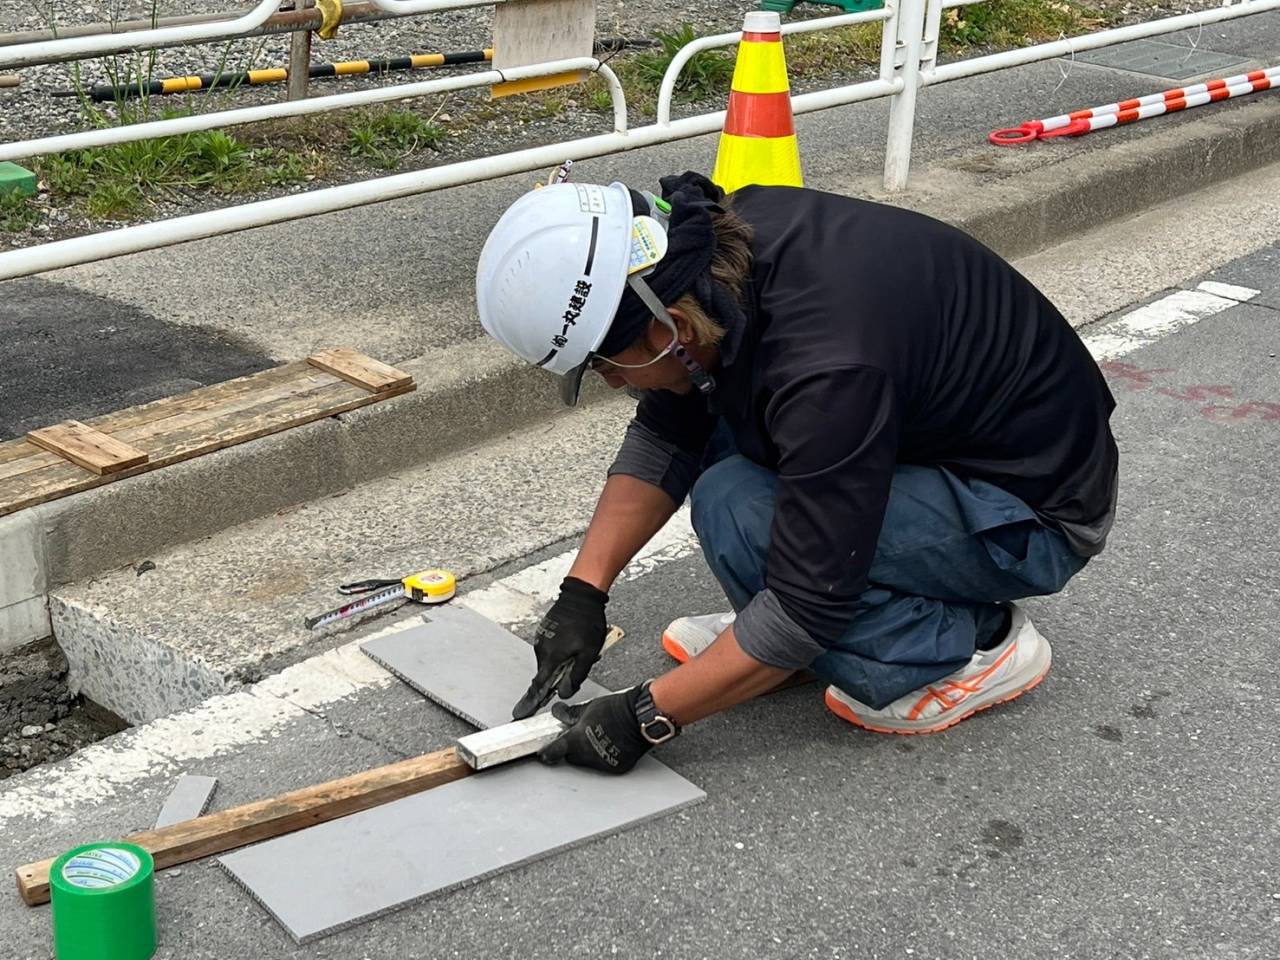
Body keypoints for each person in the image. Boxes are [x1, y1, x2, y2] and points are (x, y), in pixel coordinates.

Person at [473, 171, 1118, 774]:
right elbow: (670, 429)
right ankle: (775, 646)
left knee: (741, 510)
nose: (613, 383)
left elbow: (810, 604)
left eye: (606, 366)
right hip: (922, 443)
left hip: (1028, 510)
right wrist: (583, 593)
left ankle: (974, 645)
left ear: (667, 329)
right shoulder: (716, 260)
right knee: (727, 455)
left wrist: (646, 716)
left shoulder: (827, 369)